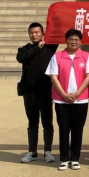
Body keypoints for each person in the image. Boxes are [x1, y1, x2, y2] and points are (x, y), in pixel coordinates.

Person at [45, 29, 89, 171]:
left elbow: (88, 76)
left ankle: (75, 159)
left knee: (78, 130)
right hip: (61, 100)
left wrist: (77, 93)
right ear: (66, 40)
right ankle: (64, 159)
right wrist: (64, 95)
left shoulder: (86, 56)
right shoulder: (57, 56)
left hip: (81, 100)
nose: (73, 41)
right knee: (64, 129)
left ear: (80, 41)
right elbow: (53, 77)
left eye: (76, 39)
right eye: (71, 39)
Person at [16, 22, 59, 163]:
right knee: (32, 123)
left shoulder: (50, 47)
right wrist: (37, 47)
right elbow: (20, 58)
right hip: (29, 93)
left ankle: (48, 151)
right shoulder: (25, 49)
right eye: (32, 33)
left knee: (47, 122)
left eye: (37, 32)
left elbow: (59, 32)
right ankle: (32, 152)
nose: (34, 35)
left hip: (45, 92)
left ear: (43, 33)